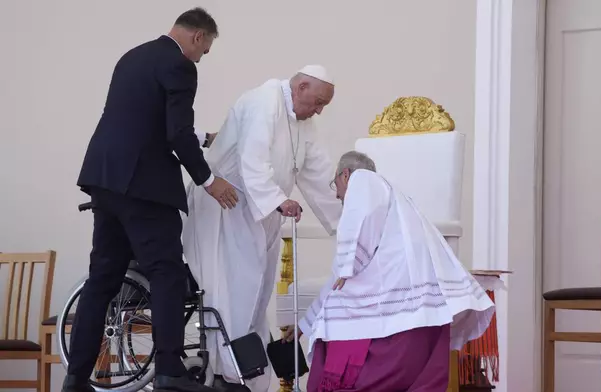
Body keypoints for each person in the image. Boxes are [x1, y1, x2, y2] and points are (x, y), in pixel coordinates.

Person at [65, 8, 237, 392]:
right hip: (144, 187)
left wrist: (200, 139)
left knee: (102, 279)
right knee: (167, 272)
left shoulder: (132, 56)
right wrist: (209, 180)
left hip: (104, 178)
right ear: (197, 37)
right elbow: (176, 133)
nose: (201, 57)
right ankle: (169, 371)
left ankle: (75, 377)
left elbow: (143, 121)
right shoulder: (180, 65)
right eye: (205, 50)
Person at [182, 65, 343, 391]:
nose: (319, 110)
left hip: (259, 214)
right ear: (301, 87)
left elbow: (317, 173)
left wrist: (346, 220)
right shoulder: (265, 100)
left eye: (324, 105)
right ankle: (226, 371)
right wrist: (276, 200)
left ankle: (249, 373)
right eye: (318, 102)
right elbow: (251, 158)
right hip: (226, 210)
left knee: (257, 293)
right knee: (234, 290)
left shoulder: (303, 122)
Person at [284, 151, 496, 392]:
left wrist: (346, 263)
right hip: (422, 308)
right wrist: (304, 323)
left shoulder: (363, 180)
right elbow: (335, 281)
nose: (336, 194)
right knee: (338, 296)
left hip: (394, 298)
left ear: (345, 175)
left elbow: (344, 266)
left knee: (338, 308)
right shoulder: (398, 200)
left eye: (336, 185)